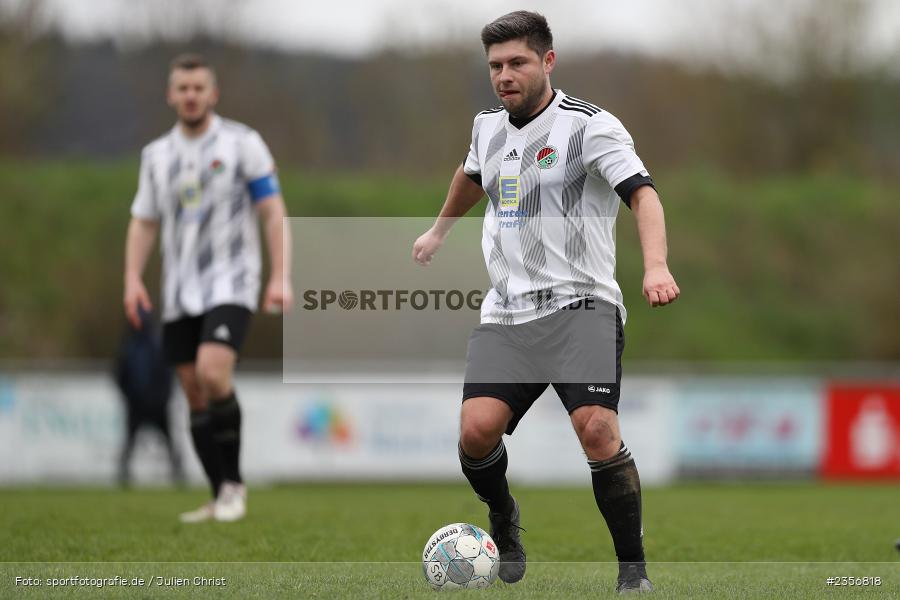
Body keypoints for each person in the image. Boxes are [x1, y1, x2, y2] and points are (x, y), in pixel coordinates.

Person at [412, 11, 679, 594]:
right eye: (495, 66)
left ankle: (632, 573)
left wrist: (655, 265)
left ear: (547, 61)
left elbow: (645, 195)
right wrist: (438, 230)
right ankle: (504, 520)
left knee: (597, 431)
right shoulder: (487, 126)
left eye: (517, 63)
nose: (504, 75)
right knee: (476, 433)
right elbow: (472, 174)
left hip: (582, 306)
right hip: (507, 314)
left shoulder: (591, 127)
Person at [123, 54, 293, 523]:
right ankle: (219, 495)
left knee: (213, 374)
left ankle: (235, 487)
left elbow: (272, 211)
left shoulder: (242, 143)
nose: (191, 95)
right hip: (179, 290)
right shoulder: (156, 156)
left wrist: (280, 275)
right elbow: (144, 221)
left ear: (213, 94)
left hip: (232, 281)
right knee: (194, 392)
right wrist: (132, 278)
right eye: (183, 88)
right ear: (171, 95)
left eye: (199, 87)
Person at [113, 307, 183, 487]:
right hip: (137, 404)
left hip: (156, 405)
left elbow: (168, 376)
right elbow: (120, 375)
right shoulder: (130, 345)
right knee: (131, 442)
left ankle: (178, 473)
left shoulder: (150, 344)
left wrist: (162, 398)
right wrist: (129, 396)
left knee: (167, 441)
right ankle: (124, 475)